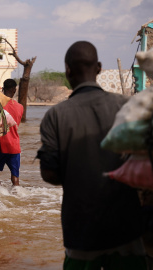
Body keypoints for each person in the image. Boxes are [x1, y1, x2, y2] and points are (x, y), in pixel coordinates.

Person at [37, 41, 147, 269]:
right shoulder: (126, 106)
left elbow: (49, 174)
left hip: (81, 233)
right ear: (98, 67)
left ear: (67, 69)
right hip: (127, 229)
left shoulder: (55, 116)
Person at [0, 79, 24, 186]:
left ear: (3, 89)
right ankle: (16, 194)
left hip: (2, 145)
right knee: (15, 176)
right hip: (15, 146)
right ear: (15, 90)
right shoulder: (20, 107)